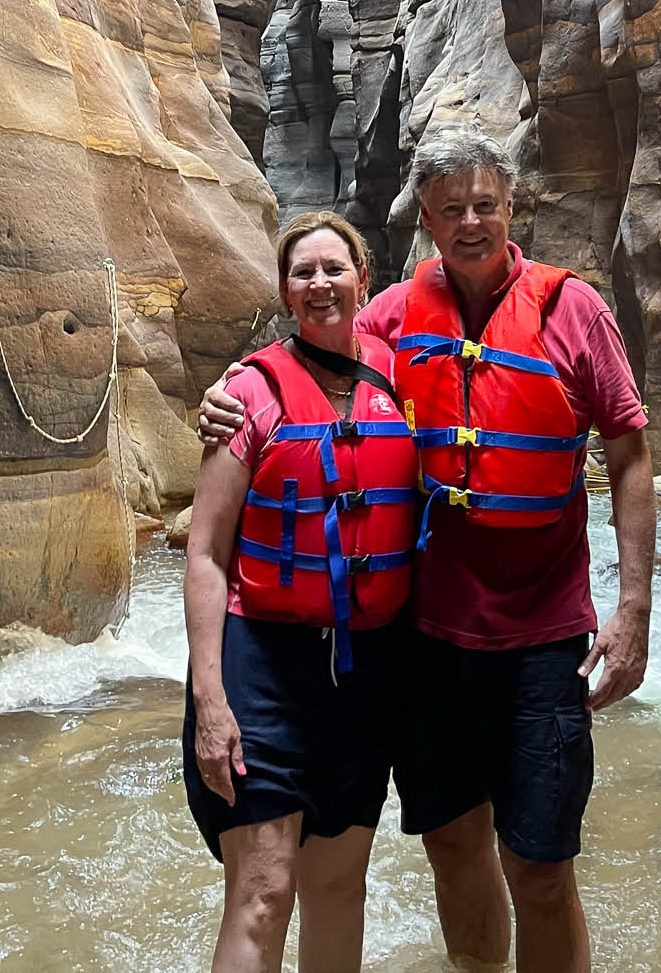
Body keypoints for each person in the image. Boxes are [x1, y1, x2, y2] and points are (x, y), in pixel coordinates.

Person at [199, 130, 655, 973]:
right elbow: (310, 349)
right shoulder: (396, 316)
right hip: (429, 643)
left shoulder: (574, 310)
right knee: (452, 846)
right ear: (427, 221)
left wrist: (633, 612)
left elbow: (627, 450)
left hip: (542, 638)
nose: (471, 222)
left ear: (510, 207)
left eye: (485, 204)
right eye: (452, 209)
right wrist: (224, 391)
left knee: (542, 866)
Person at [183, 211, 418, 973]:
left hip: (367, 671)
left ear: (363, 281)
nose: (320, 284)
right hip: (264, 665)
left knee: (339, 886)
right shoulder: (247, 393)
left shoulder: (400, 379)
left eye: (333, 268)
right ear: (285, 293)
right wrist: (211, 702)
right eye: (302, 273)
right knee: (262, 888)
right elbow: (206, 553)